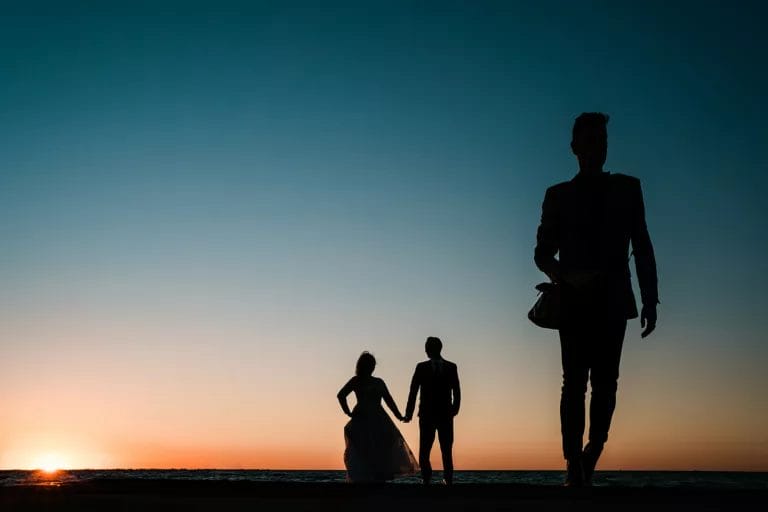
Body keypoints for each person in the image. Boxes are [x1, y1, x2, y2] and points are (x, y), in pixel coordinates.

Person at [534, 112, 659, 487]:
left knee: (606, 382)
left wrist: (650, 299)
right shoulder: (558, 195)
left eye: (602, 141)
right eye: (590, 142)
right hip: (573, 300)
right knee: (573, 383)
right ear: (575, 147)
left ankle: (594, 448)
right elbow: (542, 254)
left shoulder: (628, 188)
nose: (597, 148)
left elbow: (643, 245)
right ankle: (573, 461)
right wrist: (563, 275)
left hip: (613, 298)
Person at [337, 351, 418, 482]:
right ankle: (369, 477)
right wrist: (348, 412)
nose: (372, 367)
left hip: (377, 419)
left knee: (380, 448)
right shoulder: (358, 381)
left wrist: (399, 416)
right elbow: (341, 395)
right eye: (370, 365)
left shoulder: (376, 382)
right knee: (364, 448)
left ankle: (378, 477)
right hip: (363, 418)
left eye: (373, 365)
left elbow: (389, 400)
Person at [404, 337, 461, 485]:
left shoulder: (451, 367)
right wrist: (409, 412)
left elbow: (456, 390)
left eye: (426, 347)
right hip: (427, 414)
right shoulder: (421, 367)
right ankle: (426, 479)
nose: (425, 350)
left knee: (446, 449)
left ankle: (448, 479)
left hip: (445, 415)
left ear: (431, 349)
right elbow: (413, 390)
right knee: (424, 450)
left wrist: (454, 409)